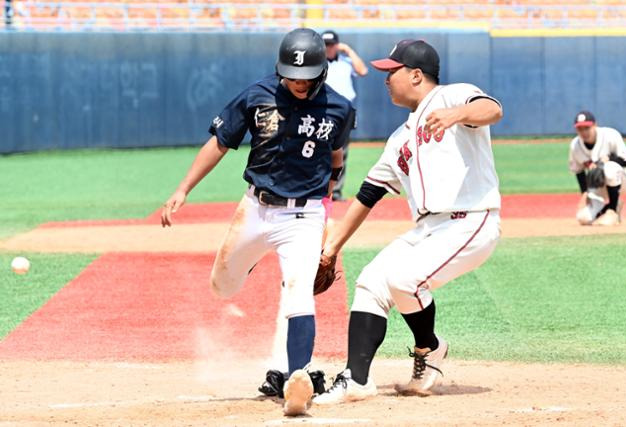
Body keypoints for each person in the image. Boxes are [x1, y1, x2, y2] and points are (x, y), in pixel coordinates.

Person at [160, 28, 355, 416]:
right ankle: (250, 260)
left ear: (322, 72)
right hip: (255, 208)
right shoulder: (257, 95)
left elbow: (336, 157)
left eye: (306, 76)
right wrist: (183, 189)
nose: (298, 82)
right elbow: (219, 143)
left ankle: (297, 377)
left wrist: (327, 206)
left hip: (303, 215)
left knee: (299, 293)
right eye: (291, 75)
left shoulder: (339, 108)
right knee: (222, 286)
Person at [311, 39, 503, 405]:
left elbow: (491, 109)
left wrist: (456, 114)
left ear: (416, 75)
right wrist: (331, 247)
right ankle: (357, 379)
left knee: (404, 279)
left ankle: (428, 349)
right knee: (370, 281)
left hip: (472, 221)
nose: (385, 79)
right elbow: (367, 195)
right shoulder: (399, 137)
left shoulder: (452, 96)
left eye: (391, 72)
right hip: (429, 229)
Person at [321, 30, 368, 201]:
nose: (328, 48)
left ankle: (336, 192)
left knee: (342, 151)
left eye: (331, 45)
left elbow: (363, 71)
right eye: (325, 45)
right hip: (324, 110)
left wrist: (348, 50)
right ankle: (319, 189)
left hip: (345, 112)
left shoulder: (346, 62)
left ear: (337, 45)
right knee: (321, 150)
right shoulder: (317, 64)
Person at [570, 111, 626, 226]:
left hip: (622, 180)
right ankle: (614, 204)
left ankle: (612, 211)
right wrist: (585, 194)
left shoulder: (610, 135)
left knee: (609, 168)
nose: (584, 132)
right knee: (583, 218)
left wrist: (609, 159)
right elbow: (579, 171)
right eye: (580, 129)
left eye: (587, 127)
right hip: (598, 186)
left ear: (595, 125)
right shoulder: (575, 145)